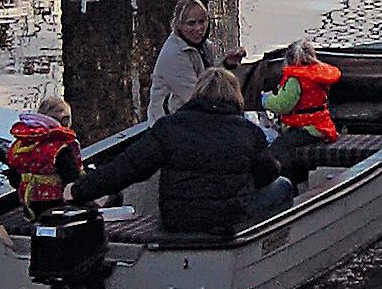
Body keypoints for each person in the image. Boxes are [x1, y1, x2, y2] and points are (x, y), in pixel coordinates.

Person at [76, 67, 293, 235]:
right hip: (228, 221)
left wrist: (79, 190)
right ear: (235, 97)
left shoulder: (168, 127)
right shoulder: (249, 131)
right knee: (283, 185)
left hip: (177, 221)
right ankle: (266, 248)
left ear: (197, 94)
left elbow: (127, 168)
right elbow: (268, 175)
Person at [145, 0, 246, 123]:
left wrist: (227, 64)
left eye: (202, 22)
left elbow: (209, 82)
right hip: (169, 123)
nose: (198, 29)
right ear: (179, 25)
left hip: (191, 115)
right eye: (191, 24)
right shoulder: (174, 55)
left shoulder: (203, 45)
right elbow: (197, 98)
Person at [6, 92, 85, 209]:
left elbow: (13, 177)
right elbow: (71, 178)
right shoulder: (60, 147)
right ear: (65, 121)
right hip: (56, 203)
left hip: (28, 201)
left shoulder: (22, 143)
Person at [262, 38, 342, 141]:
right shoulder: (319, 75)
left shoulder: (295, 79)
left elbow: (283, 105)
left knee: (274, 150)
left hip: (305, 127)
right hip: (323, 126)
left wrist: (265, 100)